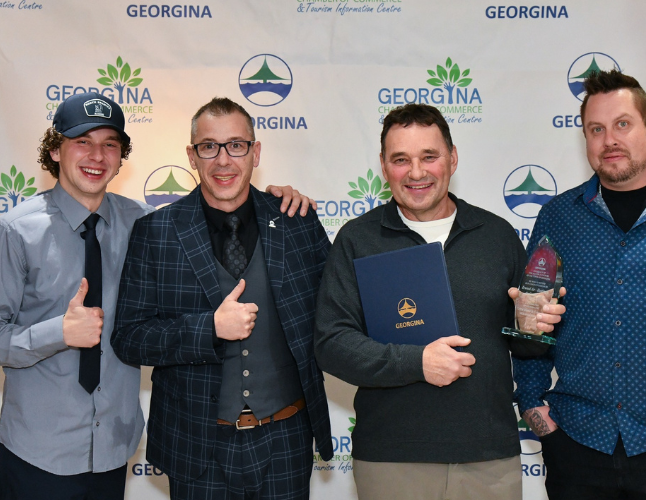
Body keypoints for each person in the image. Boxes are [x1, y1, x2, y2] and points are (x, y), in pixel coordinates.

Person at [0, 93, 312, 500]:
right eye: (82, 141)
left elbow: (213, 209)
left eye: (109, 144)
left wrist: (275, 201)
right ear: (56, 149)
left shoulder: (142, 222)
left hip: (113, 447)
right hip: (37, 451)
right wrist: (56, 332)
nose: (97, 155)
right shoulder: (15, 231)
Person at [312, 103, 565, 500]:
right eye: (401, 160)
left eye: (429, 156)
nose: (416, 172)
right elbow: (332, 344)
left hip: (489, 459)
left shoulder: (496, 235)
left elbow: (526, 346)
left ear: (452, 158)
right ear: (383, 166)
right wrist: (417, 363)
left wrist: (536, 326)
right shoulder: (358, 239)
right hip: (392, 461)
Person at [111, 97, 331, 499]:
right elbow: (129, 337)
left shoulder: (297, 221)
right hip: (197, 446)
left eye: (236, 145)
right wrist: (207, 329)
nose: (223, 160)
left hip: (285, 439)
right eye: (209, 147)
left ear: (256, 151)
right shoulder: (155, 232)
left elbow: (338, 314)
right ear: (192, 156)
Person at [511, 70, 646, 499]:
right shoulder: (557, 218)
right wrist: (535, 410)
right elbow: (530, 322)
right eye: (596, 129)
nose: (610, 140)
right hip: (577, 449)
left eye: (623, 124)